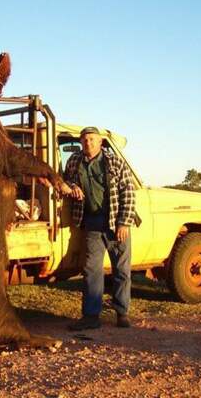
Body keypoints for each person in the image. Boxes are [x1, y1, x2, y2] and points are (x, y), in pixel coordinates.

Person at [64, 126, 137, 330]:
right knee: (91, 270)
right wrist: (72, 186)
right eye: (85, 140)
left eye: (93, 139)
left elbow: (128, 192)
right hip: (92, 222)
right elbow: (65, 180)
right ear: (81, 142)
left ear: (100, 142)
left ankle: (122, 313)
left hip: (115, 222)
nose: (89, 143)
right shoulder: (74, 161)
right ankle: (91, 317)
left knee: (121, 269)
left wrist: (124, 223)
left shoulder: (114, 161)